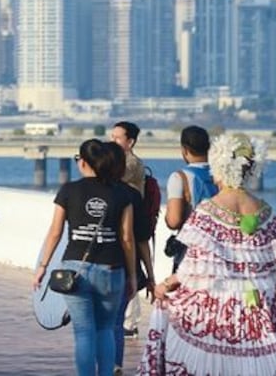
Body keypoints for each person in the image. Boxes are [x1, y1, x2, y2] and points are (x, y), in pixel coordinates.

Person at [139, 133, 276, 374]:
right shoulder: (267, 214)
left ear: (219, 166)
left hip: (217, 312)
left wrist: (165, 285)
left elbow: (192, 268)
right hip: (256, 310)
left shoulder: (207, 213)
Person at [34, 139, 136, 376]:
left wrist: (43, 266)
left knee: (83, 331)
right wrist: (131, 276)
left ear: (83, 162)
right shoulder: (121, 193)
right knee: (106, 329)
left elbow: (55, 232)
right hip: (112, 269)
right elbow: (127, 238)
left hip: (76, 268)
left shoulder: (69, 190)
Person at [101, 142, 154, 376]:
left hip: (89, 265)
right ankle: (114, 367)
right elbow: (137, 239)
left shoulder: (81, 190)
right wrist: (148, 276)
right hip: (120, 267)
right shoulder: (130, 194)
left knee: (92, 325)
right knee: (115, 323)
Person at [163, 125, 218, 273]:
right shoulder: (222, 176)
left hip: (190, 257)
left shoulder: (179, 177)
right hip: (219, 255)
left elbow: (174, 221)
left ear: (184, 150)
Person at [110, 121, 146, 342]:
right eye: (111, 136)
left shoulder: (131, 164)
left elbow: (112, 181)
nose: (112, 141)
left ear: (130, 141)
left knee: (130, 271)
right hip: (121, 225)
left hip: (131, 226)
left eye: (117, 138)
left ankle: (130, 322)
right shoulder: (118, 162)